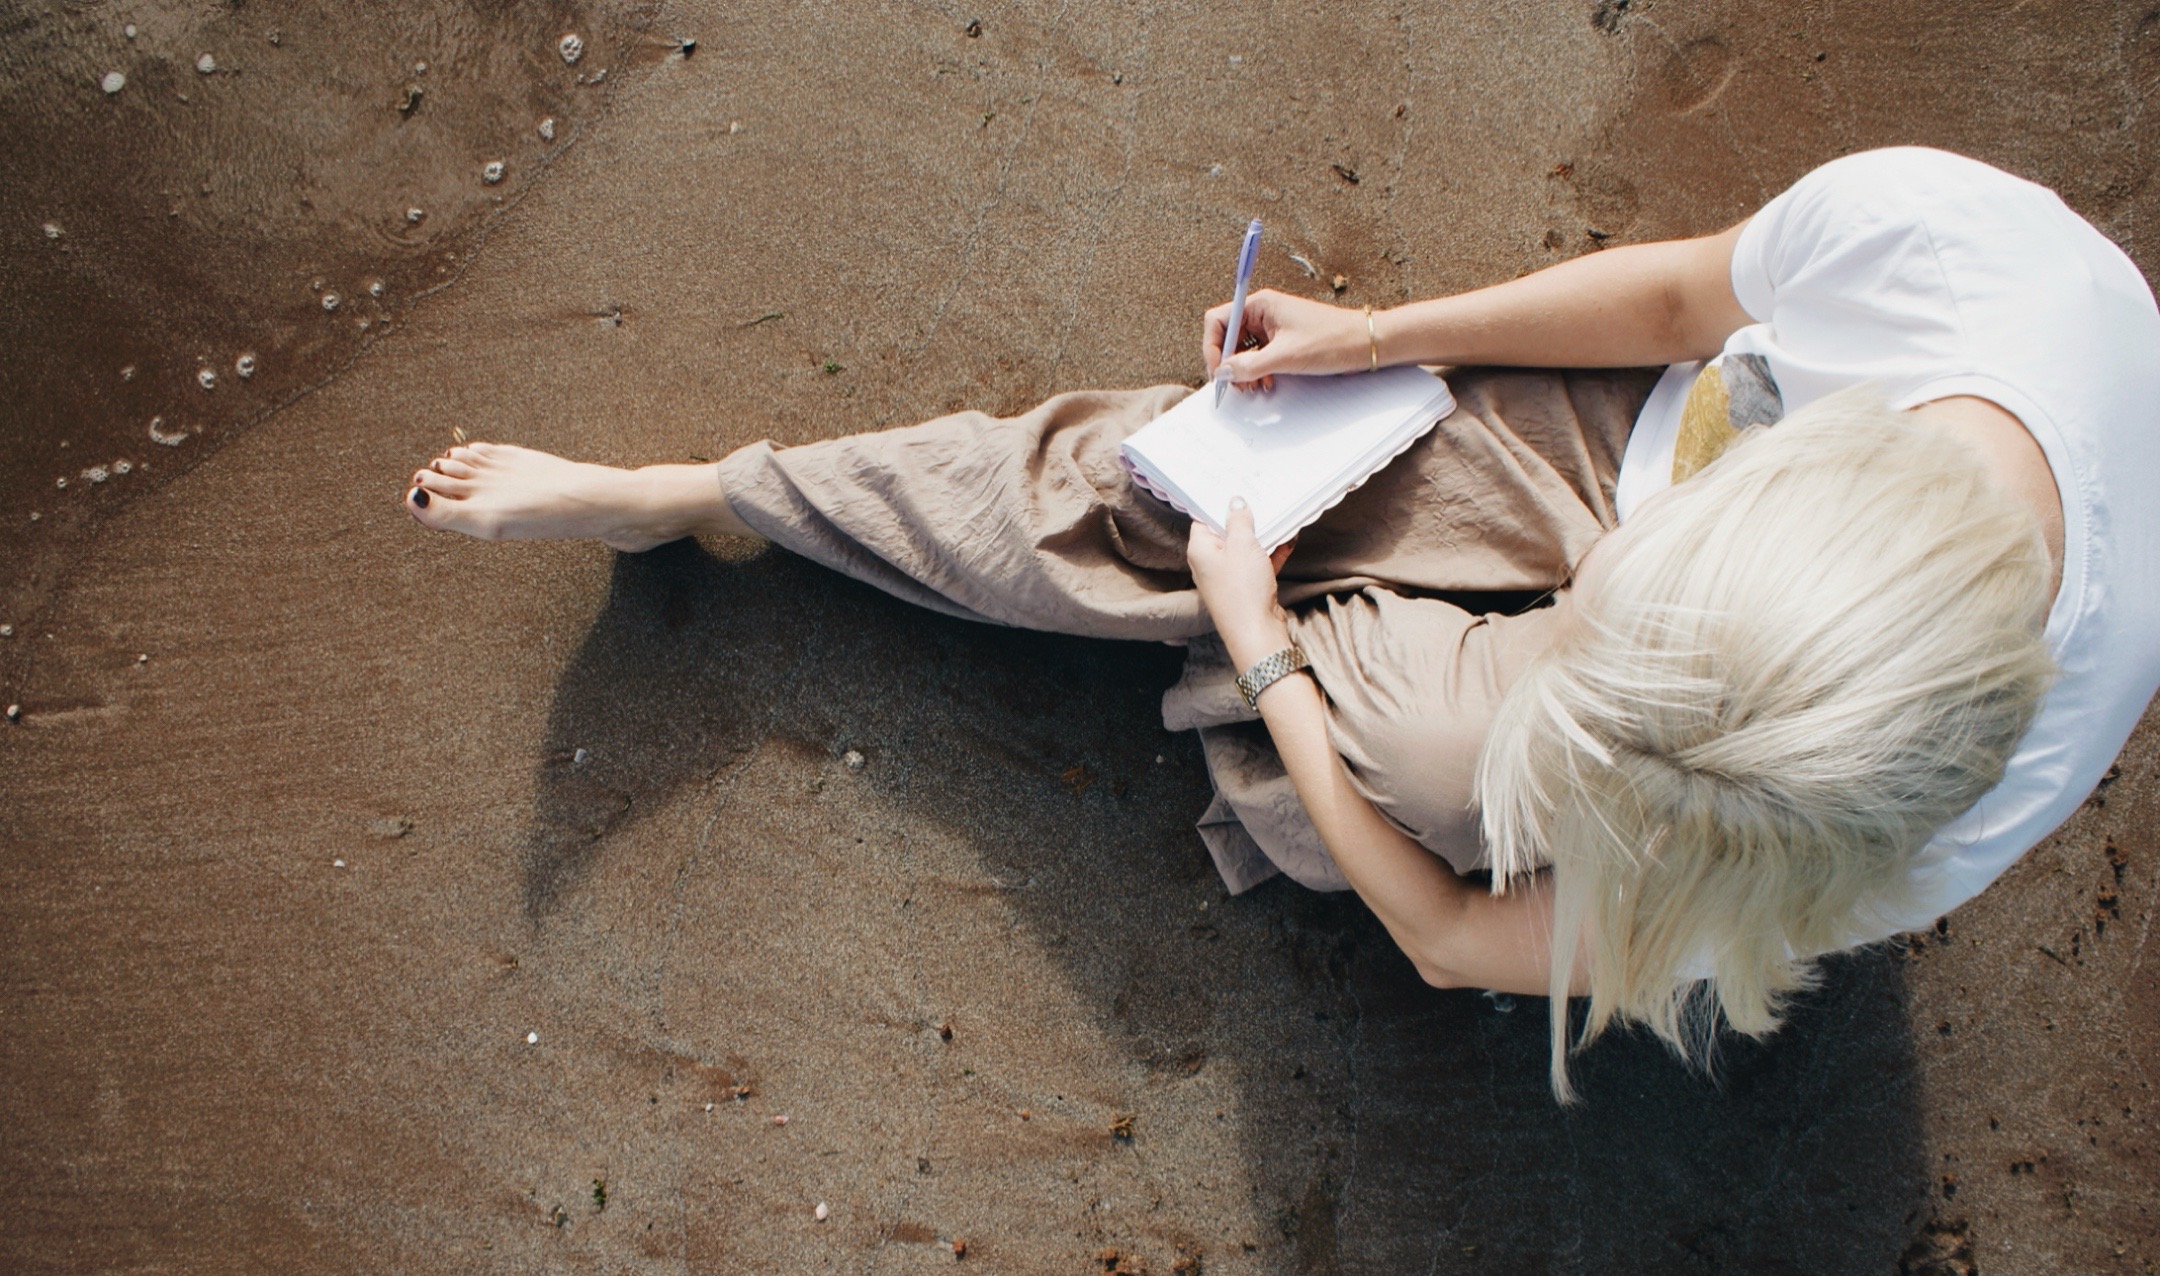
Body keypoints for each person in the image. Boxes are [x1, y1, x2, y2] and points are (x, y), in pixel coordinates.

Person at [404, 147, 2160, 1099]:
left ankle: (1280, 666)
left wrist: (1265, 655)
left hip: (1732, 727)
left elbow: (1465, 944)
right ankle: (714, 491)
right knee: (1173, 479)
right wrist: (1389, 334)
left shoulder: (1915, 800)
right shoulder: (1948, 254)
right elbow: (1693, 293)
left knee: (1426, 765)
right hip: (1616, 452)